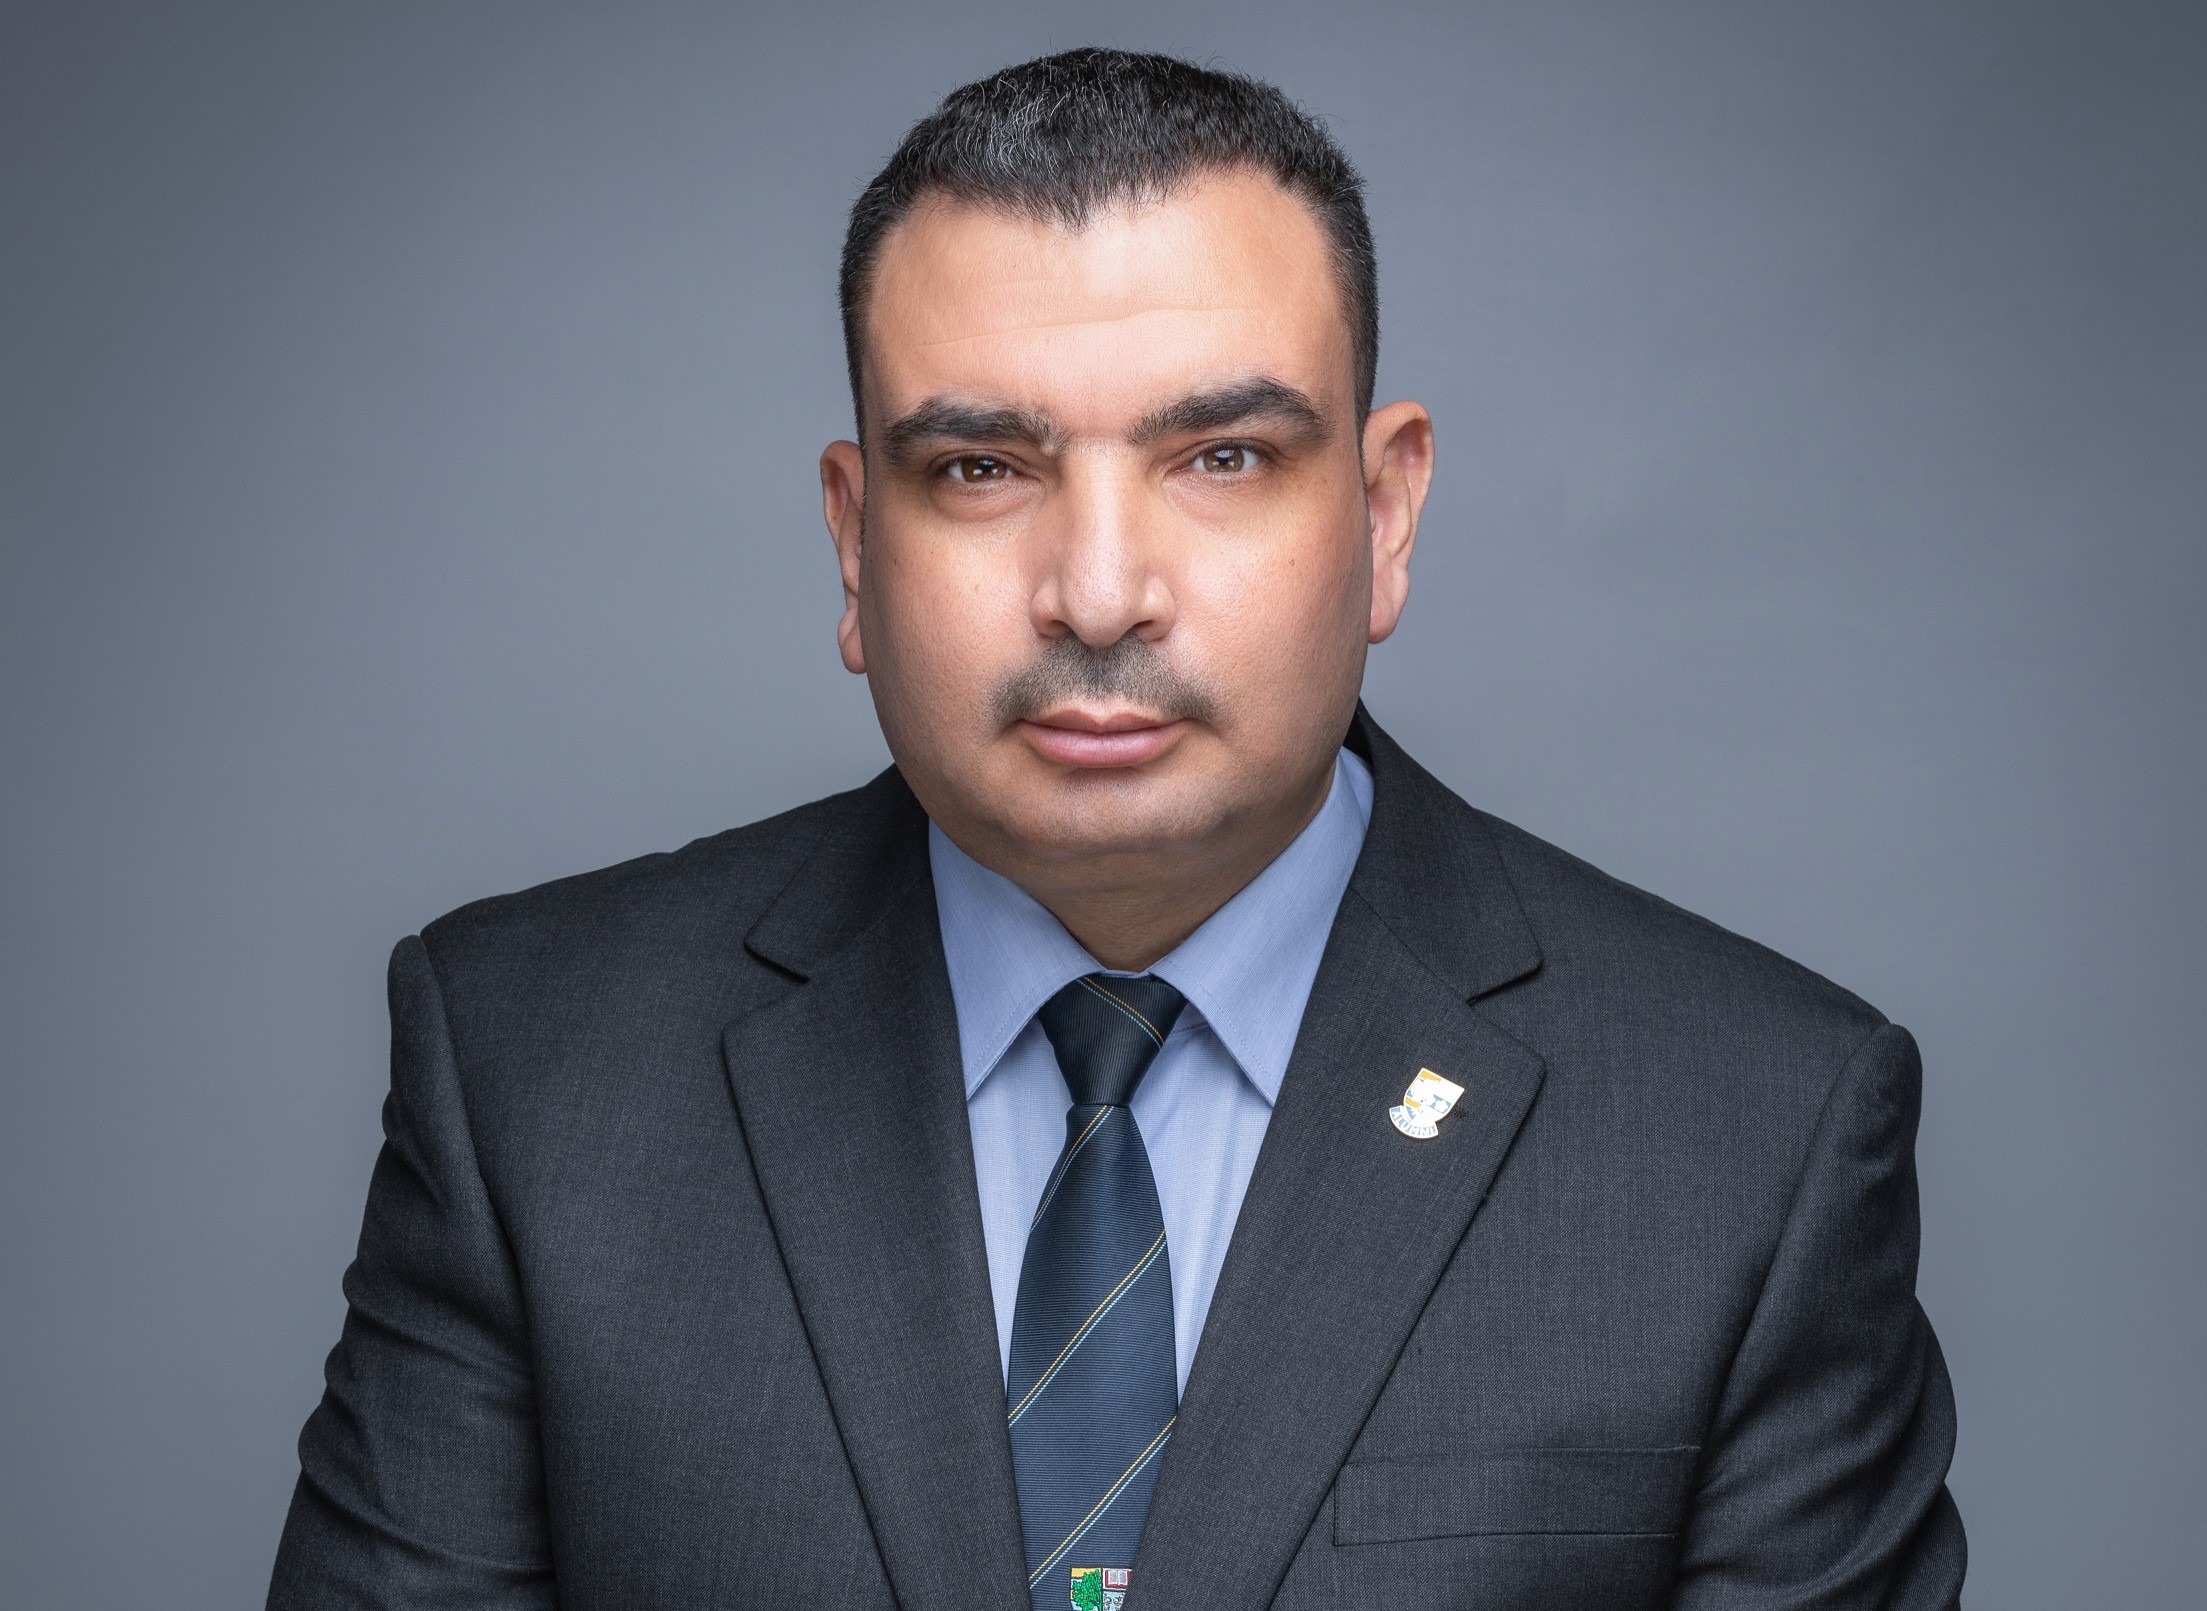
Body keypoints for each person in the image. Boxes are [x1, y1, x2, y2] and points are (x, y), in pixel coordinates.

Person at [269, 48, 1964, 1611]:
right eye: (980, 469)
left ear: (1384, 516)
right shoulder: (534, 1079)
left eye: (1221, 457)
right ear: (854, 543)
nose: (1096, 594)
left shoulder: (1752, 1139)